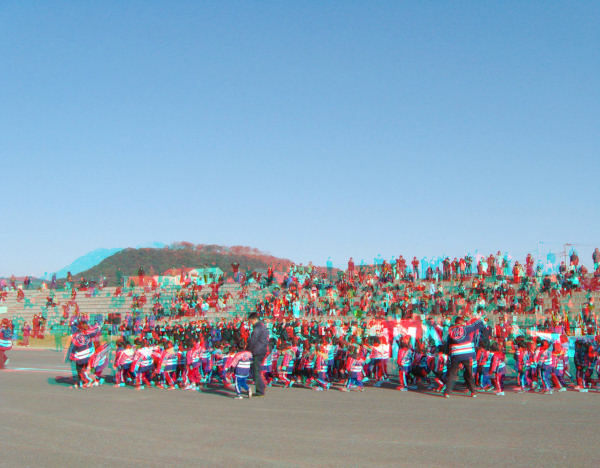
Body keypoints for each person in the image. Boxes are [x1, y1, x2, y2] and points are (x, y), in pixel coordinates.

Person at [247, 312, 269, 396]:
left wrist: (248, 349)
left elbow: (253, 340)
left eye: (250, 321)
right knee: (258, 370)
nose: (250, 323)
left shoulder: (257, 328)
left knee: (256, 371)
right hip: (262, 350)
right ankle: (261, 386)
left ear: (254, 319)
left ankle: (260, 390)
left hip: (258, 351)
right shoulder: (262, 327)